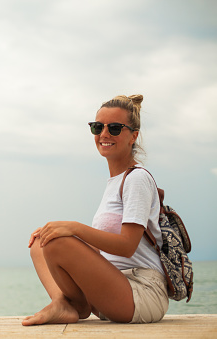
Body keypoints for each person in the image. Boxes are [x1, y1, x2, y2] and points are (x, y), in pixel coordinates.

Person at [22, 94, 168, 325]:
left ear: (134, 136)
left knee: (58, 241)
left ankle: (76, 305)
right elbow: (105, 249)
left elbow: (127, 246)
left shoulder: (137, 178)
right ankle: (63, 303)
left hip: (141, 293)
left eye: (115, 128)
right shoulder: (115, 182)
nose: (104, 134)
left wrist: (75, 229)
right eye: (98, 127)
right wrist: (58, 231)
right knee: (43, 241)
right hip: (112, 286)